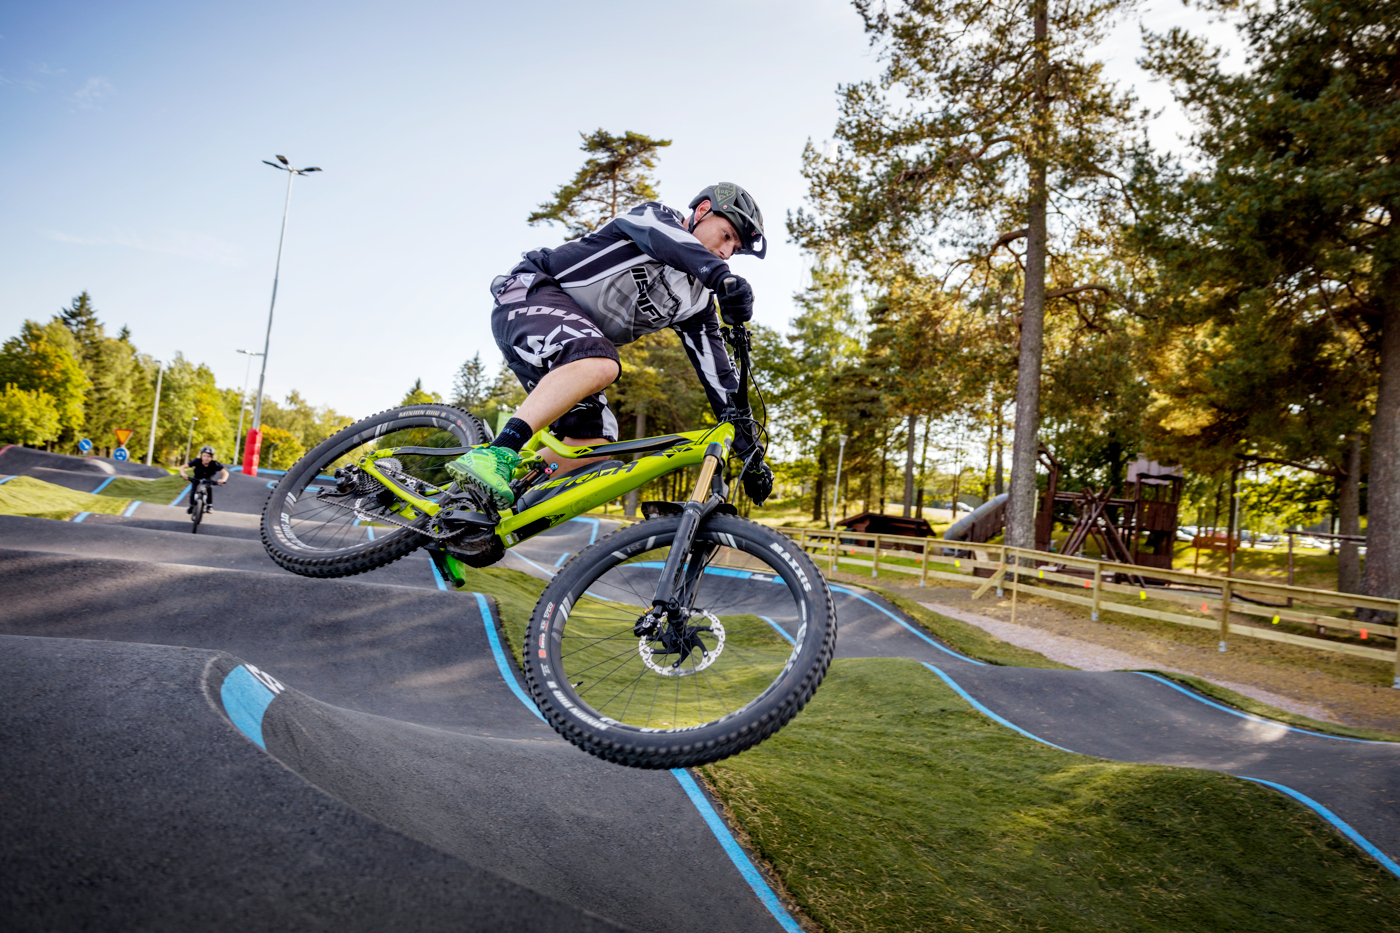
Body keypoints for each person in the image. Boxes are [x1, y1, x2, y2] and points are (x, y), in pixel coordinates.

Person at [447, 182, 774, 510]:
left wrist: (752, 455)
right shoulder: (654, 218)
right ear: (702, 211)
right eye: (727, 236)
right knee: (601, 363)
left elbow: (722, 381)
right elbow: (671, 244)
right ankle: (497, 452)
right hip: (527, 295)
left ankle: (474, 509)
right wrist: (720, 277)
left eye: (735, 249)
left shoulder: (697, 303)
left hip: (570, 351)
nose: (727, 252)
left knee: (591, 445)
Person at [180, 446, 228, 511]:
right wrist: (183, 474)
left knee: (209, 487)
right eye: (204, 456)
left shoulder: (215, 464)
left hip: (208, 477)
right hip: (197, 476)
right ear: (201, 456)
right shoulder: (197, 461)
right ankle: (191, 505)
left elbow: (225, 473)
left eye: (208, 456)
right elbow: (182, 467)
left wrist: (223, 479)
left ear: (212, 457)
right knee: (193, 490)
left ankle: (209, 505)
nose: (206, 458)